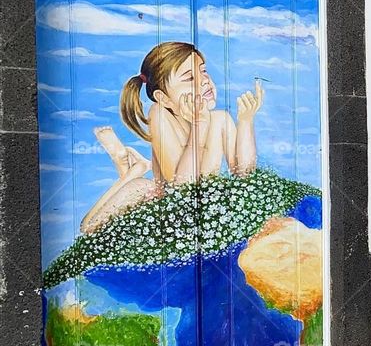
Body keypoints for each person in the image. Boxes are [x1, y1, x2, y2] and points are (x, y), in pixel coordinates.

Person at [80, 41, 264, 233]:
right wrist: (198, 127)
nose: (204, 81)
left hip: (194, 210)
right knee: (89, 226)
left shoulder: (221, 120)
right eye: (190, 78)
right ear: (164, 98)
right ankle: (135, 171)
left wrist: (245, 121)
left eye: (203, 71)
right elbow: (181, 188)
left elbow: (244, 173)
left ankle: (136, 167)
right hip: (158, 199)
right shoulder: (159, 114)